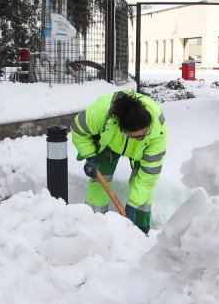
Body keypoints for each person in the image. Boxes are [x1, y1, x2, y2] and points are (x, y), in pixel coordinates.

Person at [70, 91, 168, 234]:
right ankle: (95, 225)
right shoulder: (100, 113)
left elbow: (148, 176)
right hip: (109, 140)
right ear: (122, 129)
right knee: (100, 181)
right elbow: (78, 130)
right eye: (136, 136)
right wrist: (90, 156)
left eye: (143, 134)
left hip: (142, 149)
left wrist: (133, 204)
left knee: (143, 184)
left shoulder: (157, 132)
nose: (140, 138)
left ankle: (140, 229)